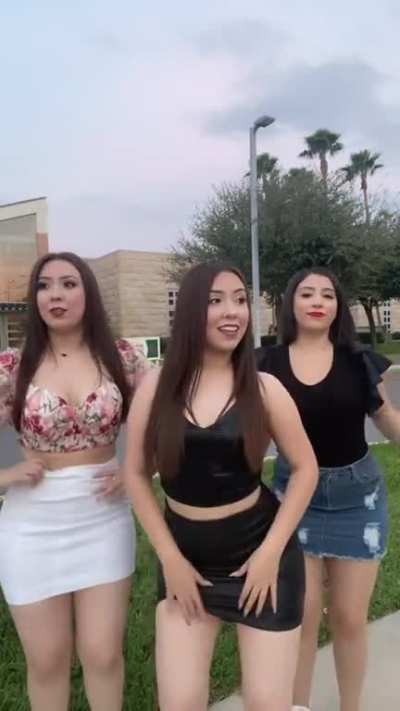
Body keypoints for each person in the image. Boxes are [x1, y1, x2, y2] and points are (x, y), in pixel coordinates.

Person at [123, 262, 318, 711]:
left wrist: (270, 553)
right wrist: (169, 558)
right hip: (186, 562)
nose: (232, 311)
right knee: (180, 702)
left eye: (240, 300)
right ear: (192, 310)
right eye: (215, 301)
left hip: (260, 558)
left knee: (267, 702)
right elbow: (134, 474)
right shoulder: (156, 387)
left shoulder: (264, 388)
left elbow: (306, 468)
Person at [0, 252, 148, 711]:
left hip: (103, 519)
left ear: (88, 292)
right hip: (31, 525)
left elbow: (164, 426)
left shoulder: (122, 358)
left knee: (103, 654)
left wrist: (136, 469)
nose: (55, 295)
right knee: (47, 661)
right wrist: (6, 475)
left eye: (68, 283)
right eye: (44, 286)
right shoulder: (12, 366)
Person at [256, 266, 400, 711]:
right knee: (300, 618)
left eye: (327, 294)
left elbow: (386, 417)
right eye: (307, 293)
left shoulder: (359, 361)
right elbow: (254, 436)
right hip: (295, 500)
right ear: (290, 304)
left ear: (338, 307)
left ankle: (349, 706)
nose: (318, 301)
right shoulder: (266, 365)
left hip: (358, 500)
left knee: (349, 619)